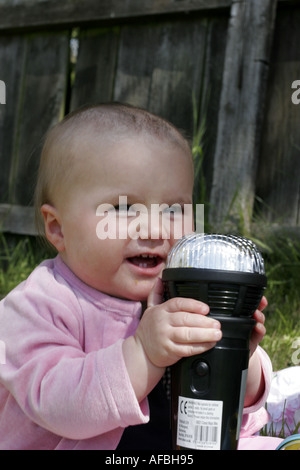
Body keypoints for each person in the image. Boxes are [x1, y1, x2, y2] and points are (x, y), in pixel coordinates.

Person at [0, 103, 281, 450]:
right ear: (58, 229)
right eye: (122, 208)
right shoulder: (37, 306)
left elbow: (240, 409)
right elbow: (58, 403)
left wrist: (238, 356)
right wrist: (144, 353)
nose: (154, 228)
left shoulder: (185, 291)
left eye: (173, 210)